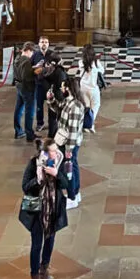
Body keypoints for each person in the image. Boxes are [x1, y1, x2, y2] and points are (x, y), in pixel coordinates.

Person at [20, 138, 70, 279]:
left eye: (56, 150)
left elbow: (66, 184)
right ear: (45, 154)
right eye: (53, 151)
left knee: (50, 241)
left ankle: (44, 268)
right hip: (37, 212)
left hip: (52, 210)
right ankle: (34, 276)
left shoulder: (59, 162)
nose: (56, 153)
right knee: (36, 245)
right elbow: (25, 186)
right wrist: (38, 179)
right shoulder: (34, 164)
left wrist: (57, 175)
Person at [54, 75, 85, 209]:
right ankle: (76, 193)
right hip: (66, 141)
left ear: (68, 88)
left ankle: (72, 197)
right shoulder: (69, 101)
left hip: (69, 143)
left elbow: (72, 130)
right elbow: (58, 108)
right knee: (73, 167)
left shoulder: (75, 106)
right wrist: (51, 100)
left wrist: (68, 150)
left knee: (68, 170)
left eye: (63, 87)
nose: (61, 89)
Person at [13, 41, 39, 142]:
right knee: (30, 111)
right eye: (32, 53)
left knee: (19, 108)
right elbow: (27, 77)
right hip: (27, 88)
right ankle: (29, 134)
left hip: (19, 86)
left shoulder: (17, 57)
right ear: (28, 51)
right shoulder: (26, 61)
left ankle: (18, 130)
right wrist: (35, 72)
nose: (32, 56)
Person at [41, 53, 68, 138]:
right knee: (59, 116)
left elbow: (43, 80)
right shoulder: (59, 71)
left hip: (50, 95)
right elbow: (62, 84)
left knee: (51, 115)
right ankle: (56, 134)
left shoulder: (47, 70)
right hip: (59, 95)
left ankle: (51, 133)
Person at [79, 44, 105, 132]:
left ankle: (85, 124)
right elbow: (102, 71)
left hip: (83, 88)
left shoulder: (81, 62)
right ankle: (90, 125)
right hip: (93, 88)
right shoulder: (96, 62)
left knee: (86, 107)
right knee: (96, 105)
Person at [33, 35, 51, 134]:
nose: (44, 44)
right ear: (39, 44)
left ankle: (52, 122)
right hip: (39, 84)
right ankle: (40, 123)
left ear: (48, 44)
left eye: (46, 42)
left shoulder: (52, 54)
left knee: (51, 105)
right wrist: (36, 68)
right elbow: (31, 68)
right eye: (42, 42)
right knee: (39, 106)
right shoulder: (35, 55)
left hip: (49, 85)